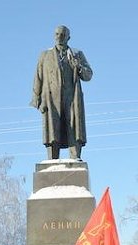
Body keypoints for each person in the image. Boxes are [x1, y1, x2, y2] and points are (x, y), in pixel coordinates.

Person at [31, 25, 93, 160]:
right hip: (51, 99)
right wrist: (37, 100)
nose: (59, 37)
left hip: (72, 97)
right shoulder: (45, 55)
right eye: (57, 34)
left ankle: (75, 158)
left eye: (62, 34)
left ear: (68, 37)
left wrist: (78, 66)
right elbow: (38, 77)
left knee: (74, 128)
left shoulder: (77, 54)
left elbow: (88, 75)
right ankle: (51, 161)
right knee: (53, 130)